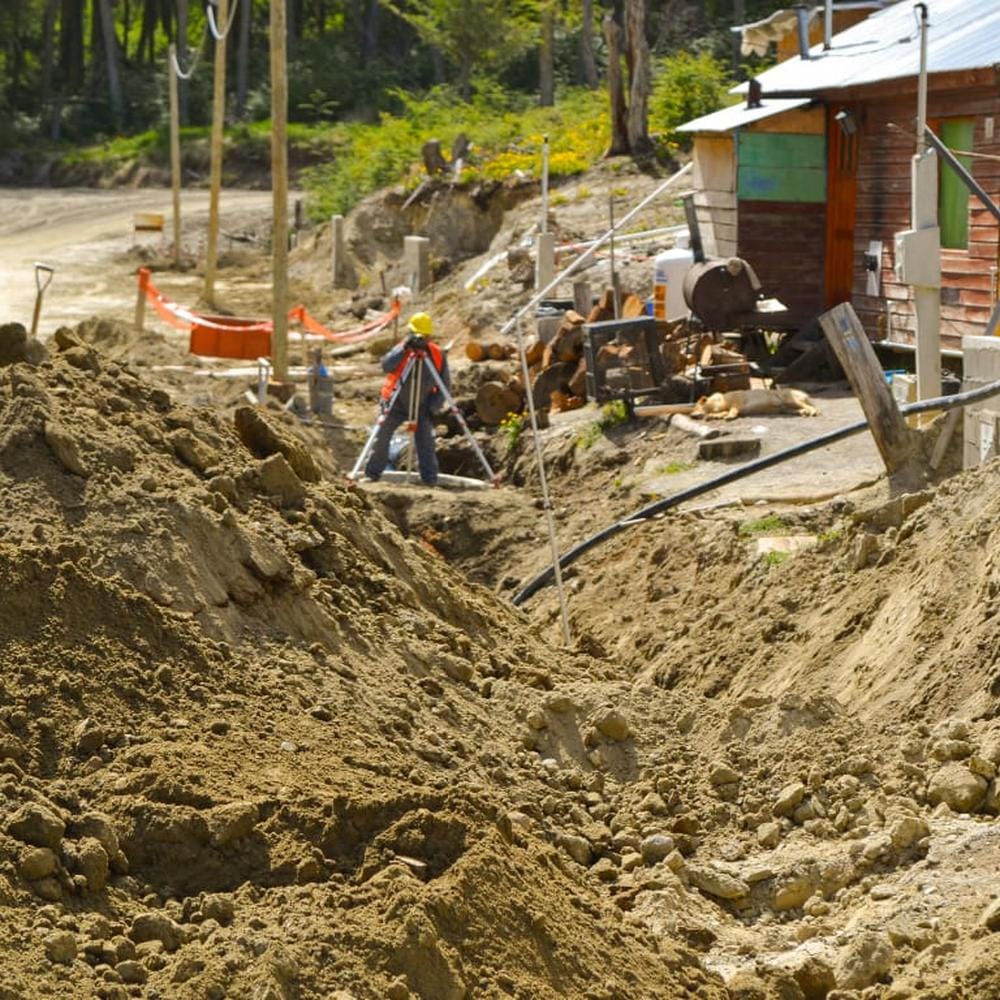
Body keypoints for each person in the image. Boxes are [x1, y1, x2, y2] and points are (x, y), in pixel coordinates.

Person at [363, 312, 450, 487]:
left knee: (426, 442)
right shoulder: (402, 349)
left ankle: (429, 480)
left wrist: (433, 407)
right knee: (381, 436)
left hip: (422, 405)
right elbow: (386, 366)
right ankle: (372, 474)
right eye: (416, 334)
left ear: (429, 336)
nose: (420, 339)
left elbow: (444, 385)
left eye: (423, 336)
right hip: (395, 403)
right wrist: (405, 349)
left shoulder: (436, 354)